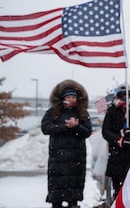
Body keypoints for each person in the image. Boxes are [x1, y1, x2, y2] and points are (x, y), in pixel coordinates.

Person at [41, 79, 92, 208]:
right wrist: (65, 126)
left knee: (73, 192)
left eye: (73, 97)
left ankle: (73, 204)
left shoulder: (82, 113)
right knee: (57, 192)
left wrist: (76, 127)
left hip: (76, 159)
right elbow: (45, 128)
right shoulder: (53, 112)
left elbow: (87, 132)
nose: (71, 99)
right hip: (58, 158)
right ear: (63, 98)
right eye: (68, 97)